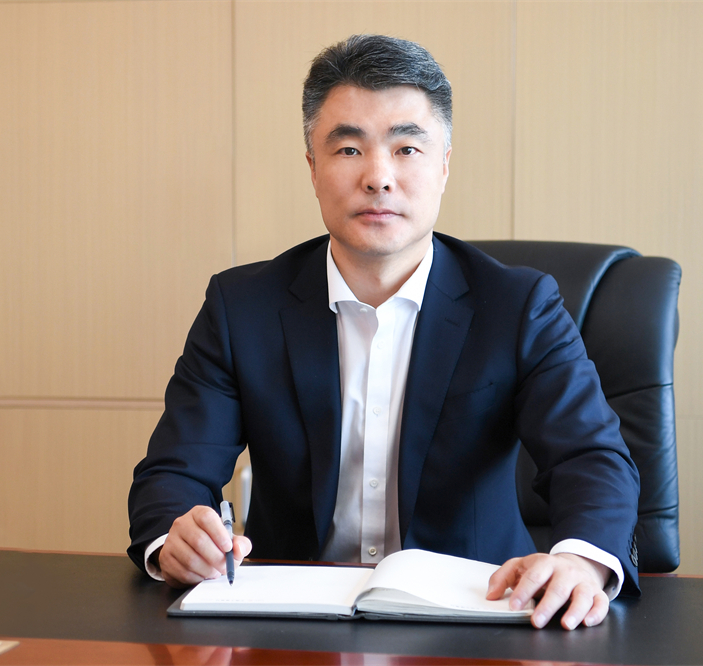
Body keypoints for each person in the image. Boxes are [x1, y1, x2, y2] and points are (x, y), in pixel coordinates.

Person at [128, 34, 640, 630]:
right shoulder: (241, 307)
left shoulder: (519, 305)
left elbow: (591, 457)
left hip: (477, 618)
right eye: (348, 149)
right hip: (292, 625)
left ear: (443, 165)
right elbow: (174, 473)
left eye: (406, 148)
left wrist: (580, 561)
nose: (378, 177)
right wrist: (176, 540)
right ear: (313, 168)